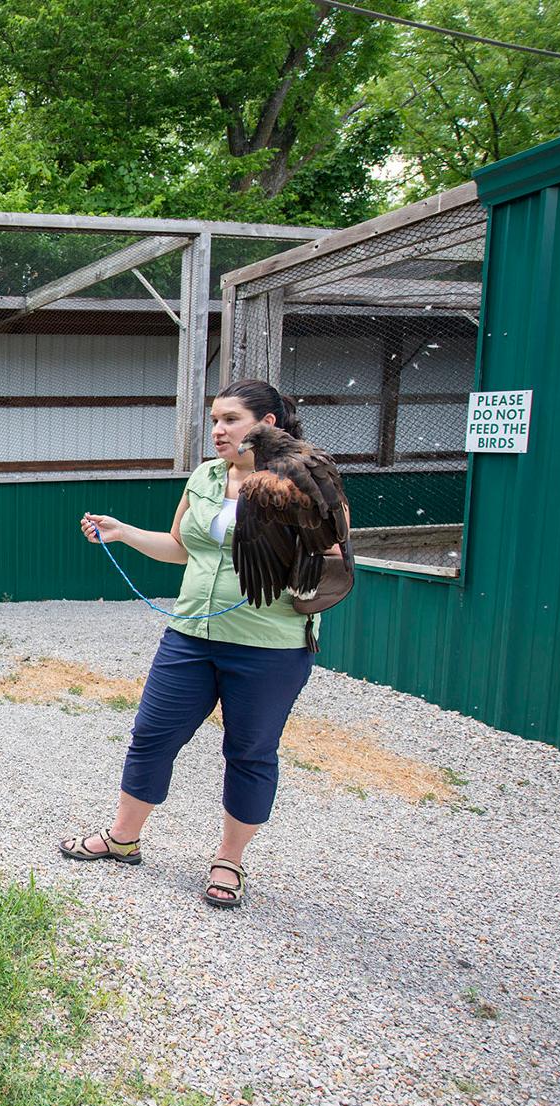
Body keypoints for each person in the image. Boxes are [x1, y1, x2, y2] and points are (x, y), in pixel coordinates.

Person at [65, 380, 321, 910]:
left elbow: (330, 561)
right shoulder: (204, 477)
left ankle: (229, 860)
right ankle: (122, 838)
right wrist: (123, 532)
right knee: (152, 735)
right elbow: (182, 548)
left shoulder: (302, 483)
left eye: (230, 419)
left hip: (268, 644)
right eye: (214, 420)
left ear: (267, 425)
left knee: (249, 752)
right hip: (189, 637)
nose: (218, 430)